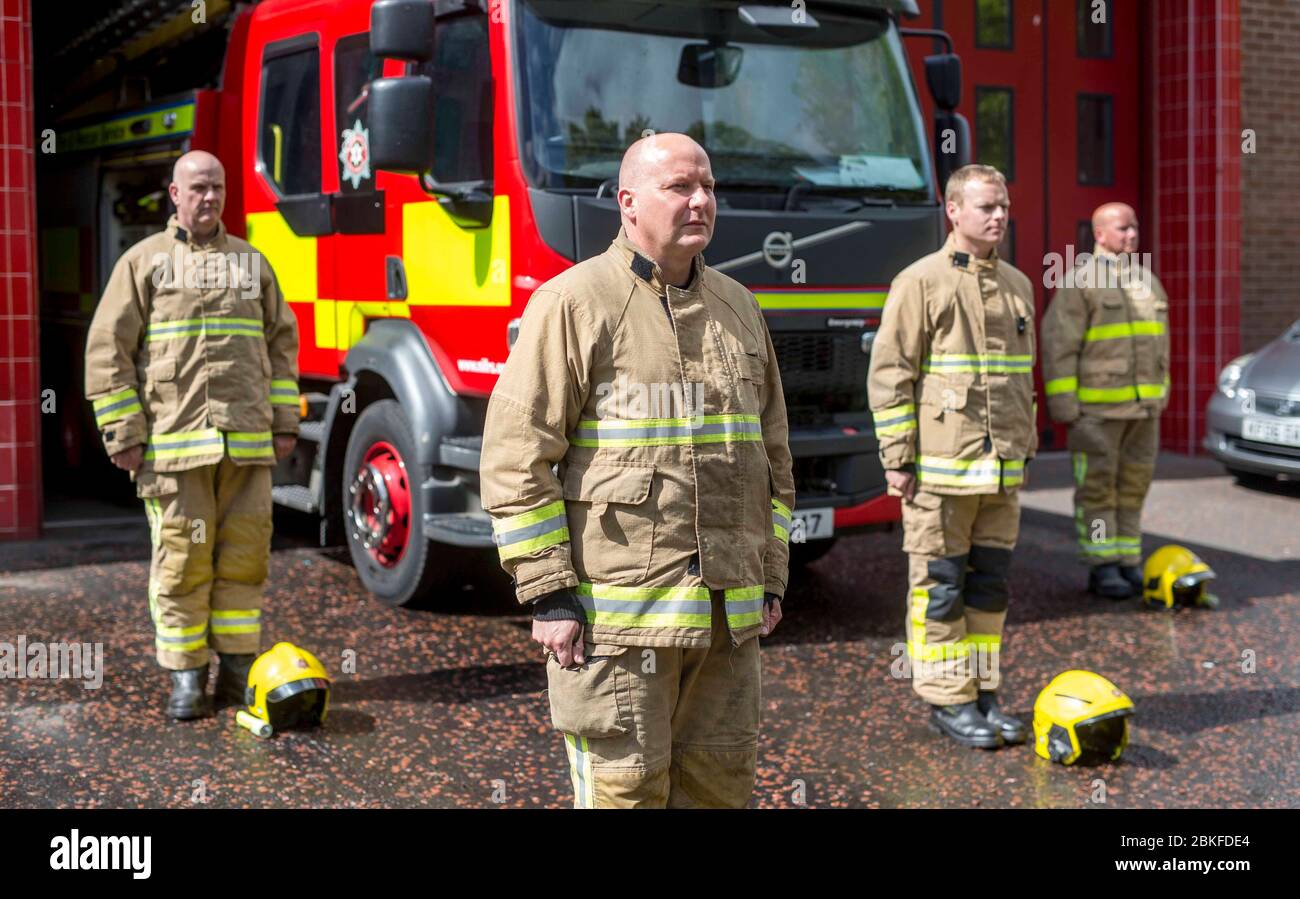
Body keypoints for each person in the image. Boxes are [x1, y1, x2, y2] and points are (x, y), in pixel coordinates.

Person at [480, 133, 795, 806]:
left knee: (719, 788)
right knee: (625, 791)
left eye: (707, 186)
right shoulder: (575, 302)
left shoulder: (739, 307)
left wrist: (770, 574)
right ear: (627, 202)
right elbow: (517, 454)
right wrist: (549, 593)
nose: (701, 200)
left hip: (725, 625)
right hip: (618, 629)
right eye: (679, 187)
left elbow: (771, 457)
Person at [84, 150, 299, 719]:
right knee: (182, 562)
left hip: (246, 446)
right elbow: (109, 352)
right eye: (198, 188)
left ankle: (234, 671)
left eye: (218, 188)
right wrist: (123, 432)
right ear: (175, 194)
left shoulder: (251, 263)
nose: (209, 198)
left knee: (245, 556)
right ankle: (185, 676)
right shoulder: (143, 262)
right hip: (173, 450)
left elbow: (281, 345)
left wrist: (285, 422)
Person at [868, 164, 1036, 749]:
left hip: (1001, 475)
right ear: (954, 211)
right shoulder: (920, 282)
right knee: (940, 589)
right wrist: (898, 459)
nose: (998, 216)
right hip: (939, 478)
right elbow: (890, 376)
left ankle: (984, 695)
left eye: (1004, 206)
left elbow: (1019, 385)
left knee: (990, 590)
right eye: (986, 206)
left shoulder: (1018, 285)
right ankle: (948, 701)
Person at [1041, 202, 1169, 598]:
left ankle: (1128, 560)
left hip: (1143, 411)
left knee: (1134, 487)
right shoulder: (1080, 281)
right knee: (1097, 491)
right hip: (1096, 414)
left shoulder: (1148, 282)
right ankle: (1102, 565)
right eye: (1122, 229)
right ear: (1099, 234)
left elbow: (1160, 344)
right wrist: (1067, 409)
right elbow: (1058, 346)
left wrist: (1160, 395)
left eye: (1134, 228)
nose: (1131, 235)